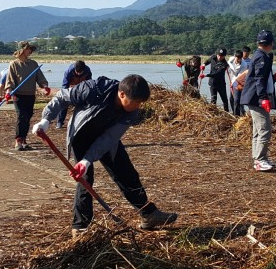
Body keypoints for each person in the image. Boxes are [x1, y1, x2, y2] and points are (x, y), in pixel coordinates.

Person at [33, 74, 178, 236]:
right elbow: (62, 96)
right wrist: (45, 120)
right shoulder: (93, 89)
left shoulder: (132, 112)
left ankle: (148, 214)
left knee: (127, 173)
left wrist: (88, 159)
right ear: (122, 94)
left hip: (106, 137)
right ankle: (80, 226)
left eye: (140, 103)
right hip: (81, 135)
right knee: (85, 180)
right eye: (135, 102)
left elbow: (109, 138)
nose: (138, 106)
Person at [236, 30, 276, 171]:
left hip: (254, 97)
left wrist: (274, 78)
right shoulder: (261, 57)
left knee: (258, 129)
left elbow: (262, 77)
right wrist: (263, 98)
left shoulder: (262, 55)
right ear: (271, 43)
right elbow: (258, 79)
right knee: (264, 129)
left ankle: (260, 158)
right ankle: (260, 160)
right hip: (256, 98)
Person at [4, 41, 50, 151]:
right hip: (18, 95)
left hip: (30, 94)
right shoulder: (13, 64)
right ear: (22, 50)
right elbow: (10, 80)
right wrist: (8, 92)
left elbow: (40, 77)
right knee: (21, 115)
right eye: (28, 49)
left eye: (31, 49)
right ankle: (18, 140)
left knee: (28, 116)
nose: (30, 51)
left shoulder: (33, 64)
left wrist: (45, 86)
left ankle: (24, 139)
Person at [55, 60, 93, 129]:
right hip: (70, 88)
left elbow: (90, 83)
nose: (78, 74)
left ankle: (83, 121)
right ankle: (59, 122)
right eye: (77, 72)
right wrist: (66, 94)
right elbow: (65, 85)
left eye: (80, 72)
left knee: (85, 104)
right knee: (64, 103)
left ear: (84, 70)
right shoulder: (69, 71)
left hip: (82, 88)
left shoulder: (87, 70)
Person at [226, 50, 247, 116]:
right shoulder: (231, 59)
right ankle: (233, 113)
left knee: (237, 100)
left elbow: (240, 76)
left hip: (238, 82)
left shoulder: (244, 65)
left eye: (240, 59)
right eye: (237, 58)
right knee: (231, 99)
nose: (238, 60)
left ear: (241, 58)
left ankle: (237, 115)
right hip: (231, 79)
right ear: (235, 56)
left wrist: (233, 83)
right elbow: (227, 65)